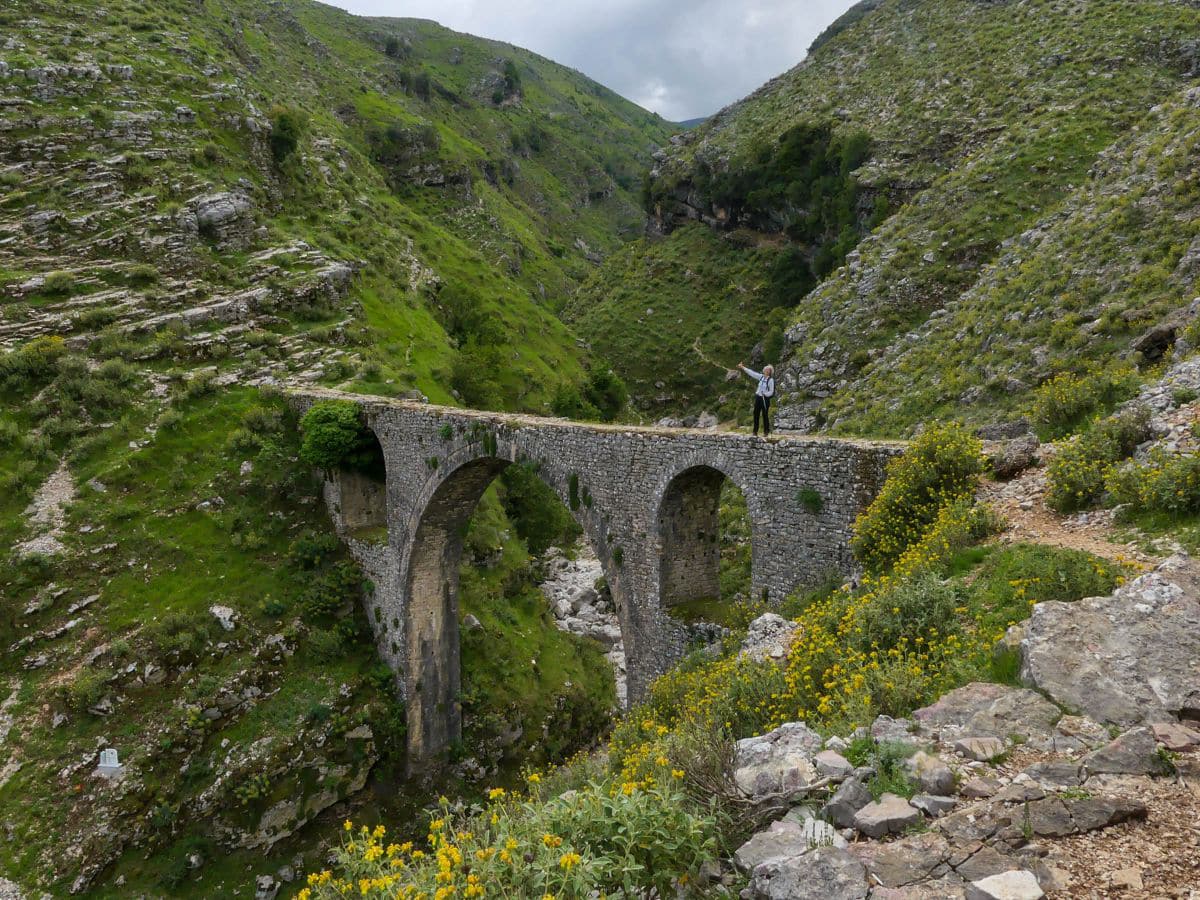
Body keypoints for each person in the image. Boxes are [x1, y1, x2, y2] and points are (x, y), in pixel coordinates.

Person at [736, 361, 775, 437]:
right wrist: (743, 367)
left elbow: (771, 391)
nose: (766, 371)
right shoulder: (761, 377)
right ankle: (755, 431)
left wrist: (765, 394)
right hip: (758, 398)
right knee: (756, 414)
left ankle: (766, 431)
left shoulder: (771, 380)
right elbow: (752, 373)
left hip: (765, 399)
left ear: (770, 372)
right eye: (765, 369)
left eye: (768, 370)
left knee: (765, 415)